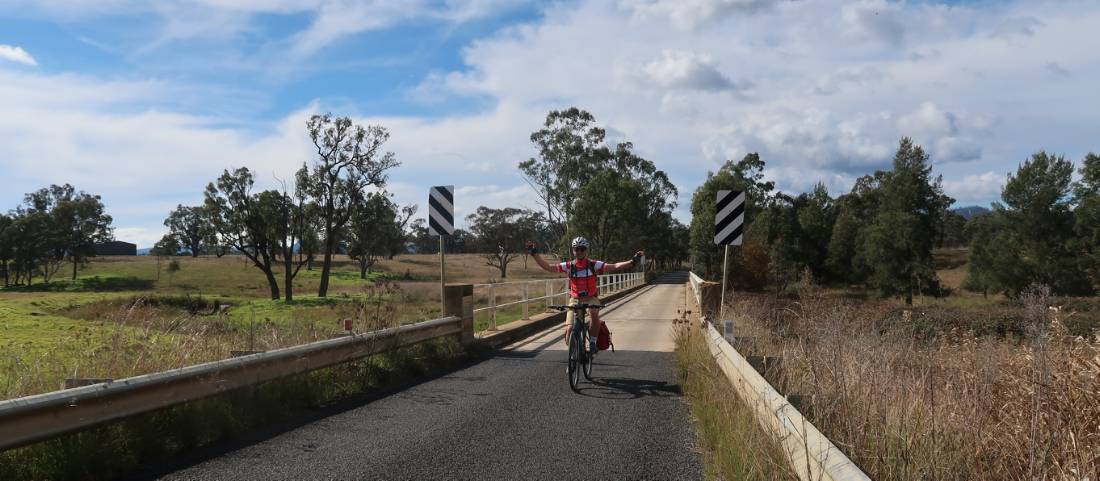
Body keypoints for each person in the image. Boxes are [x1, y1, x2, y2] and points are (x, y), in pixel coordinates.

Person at [526, 237, 643, 354]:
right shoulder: (569, 266)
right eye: (577, 249)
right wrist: (534, 254)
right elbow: (549, 267)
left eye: (582, 249)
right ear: (573, 251)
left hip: (591, 298)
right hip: (575, 299)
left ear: (586, 250)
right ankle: (572, 358)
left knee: (593, 313)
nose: (579, 252)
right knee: (570, 329)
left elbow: (614, 266)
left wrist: (632, 261)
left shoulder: (594, 265)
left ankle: (592, 342)